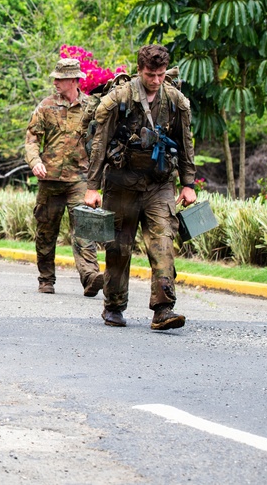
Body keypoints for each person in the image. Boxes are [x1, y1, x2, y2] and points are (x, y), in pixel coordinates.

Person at [84, 44, 196, 331]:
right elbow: (98, 145)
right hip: (120, 184)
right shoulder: (119, 98)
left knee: (163, 245)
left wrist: (188, 184)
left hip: (158, 186)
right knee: (118, 247)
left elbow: (186, 143)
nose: (155, 80)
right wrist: (92, 187)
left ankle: (163, 308)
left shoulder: (175, 100)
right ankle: (114, 305)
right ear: (139, 71)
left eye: (160, 74)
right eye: (150, 74)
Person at [24, 57, 102, 296]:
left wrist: (98, 180)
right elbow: (31, 139)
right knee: (46, 231)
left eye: (60, 78)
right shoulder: (46, 106)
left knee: (85, 228)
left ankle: (90, 277)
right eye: (55, 78)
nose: (55, 82)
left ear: (73, 80)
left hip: (80, 179)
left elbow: (100, 142)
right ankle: (46, 279)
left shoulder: (91, 107)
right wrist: (35, 161)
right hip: (50, 179)